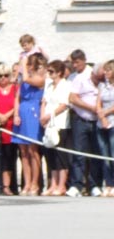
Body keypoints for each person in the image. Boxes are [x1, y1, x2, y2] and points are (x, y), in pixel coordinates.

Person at [66, 50, 100, 196]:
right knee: (78, 153)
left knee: (95, 154)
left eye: (77, 62)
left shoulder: (94, 74)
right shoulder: (75, 77)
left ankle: (94, 185)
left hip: (95, 121)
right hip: (80, 119)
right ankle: (76, 185)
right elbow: (73, 98)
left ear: (84, 60)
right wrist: (91, 107)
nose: (75, 65)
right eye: (73, 62)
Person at [12, 52, 47, 196]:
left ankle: (35, 183)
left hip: (33, 112)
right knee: (24, 152)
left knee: (33, 151)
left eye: (29, 64)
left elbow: (27, 78)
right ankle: (26, 183)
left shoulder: (40, 79)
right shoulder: (24, 79)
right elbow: (17, 97)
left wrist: (24, 64)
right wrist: (15, 114)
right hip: (23, 111)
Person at [41, 60, 73, 196]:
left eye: (52, 72)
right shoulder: (48, 85)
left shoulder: (66, 85)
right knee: (50, 155)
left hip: (60, 124)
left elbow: (64, 104)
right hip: (48, 124)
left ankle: (61, 185)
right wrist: (42, 116)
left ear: (59, 72)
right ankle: (53, 184)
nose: (49, 74)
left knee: (61, 155)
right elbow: (44, 102)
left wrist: (50, 115)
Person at [0, 63, 17, 195]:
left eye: (6, 75)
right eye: (0, 76)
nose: (3, 78)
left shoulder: (15, 88)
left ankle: (7, 185)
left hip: (11, 126)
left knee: (9, 156)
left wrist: (7, 115)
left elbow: (18, 104)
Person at [95, 61, 114, 195]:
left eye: (108, 70)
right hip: (102, 123)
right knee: (104, 155)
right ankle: (108, 184)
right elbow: (98, 103)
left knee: (113, 154)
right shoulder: (102, 86)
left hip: (113, 122)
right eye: (105, 70)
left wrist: (106, 113)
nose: (105, 73)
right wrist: (102, 117)